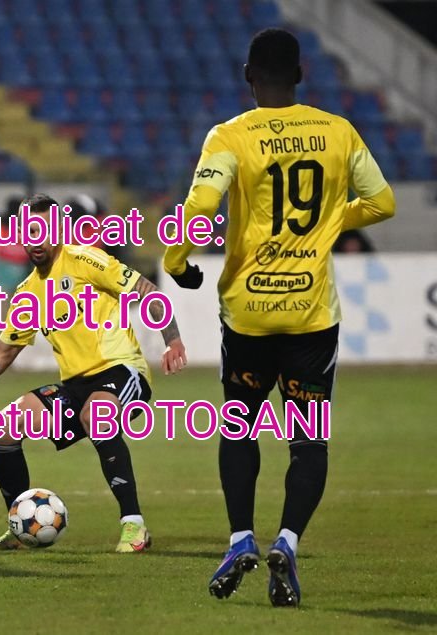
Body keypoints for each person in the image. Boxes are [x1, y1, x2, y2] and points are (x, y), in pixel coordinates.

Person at [162, 29, 395, 606]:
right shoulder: (338, 131)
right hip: (312, 315)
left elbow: (201, 206)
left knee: (238, 427)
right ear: (300, 74)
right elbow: (382, 202)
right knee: (309, 441)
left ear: (248, 75)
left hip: (249, 315)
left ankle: (240, 537)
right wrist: (331, 220)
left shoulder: (231, 135)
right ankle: (287, 542)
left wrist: (176, 261)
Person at [0, 193, 187, 553]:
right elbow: (0, 356)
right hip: (75, 386)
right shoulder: (28, 293)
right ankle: (20, 527)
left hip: (122, 371)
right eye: (27, 231)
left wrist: (172, 340)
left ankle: (134, 526)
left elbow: (148, 291)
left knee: (97, 415)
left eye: (42, 230)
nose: (34, 239)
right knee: (4, 426)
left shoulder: (86, 259)